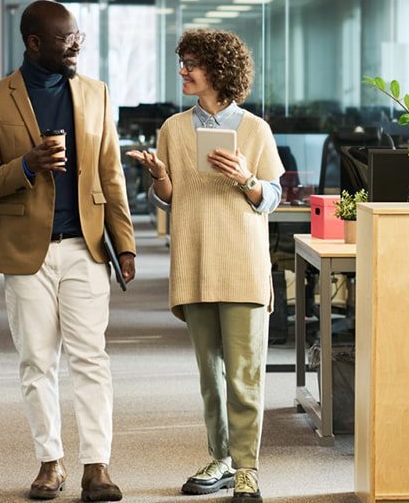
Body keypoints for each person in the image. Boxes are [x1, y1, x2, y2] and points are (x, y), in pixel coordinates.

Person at [0, 0, 135, 502]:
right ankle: (50, 462)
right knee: (37, 361)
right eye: (67, 39)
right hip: (26, 254)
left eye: (78, 36)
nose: (76, 45)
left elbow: (112, 175)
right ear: (35, 43)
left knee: (91, 359)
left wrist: (123, 244)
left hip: (85, 248)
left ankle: (97, 466)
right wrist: (27, 164)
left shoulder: (97, 93)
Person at [127, 29, 284, 503]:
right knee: (209, 373)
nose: (183, 71)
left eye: (191, 63)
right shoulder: (173, 129)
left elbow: (272, 197)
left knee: (244, 373)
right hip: (195, 259)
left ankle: (247, 468)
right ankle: (219, 456)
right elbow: (173, 201)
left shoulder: (254, 130)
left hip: (241, 263)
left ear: (217, 71)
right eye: (182, 62)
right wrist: (159, 178)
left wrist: (246, 178)